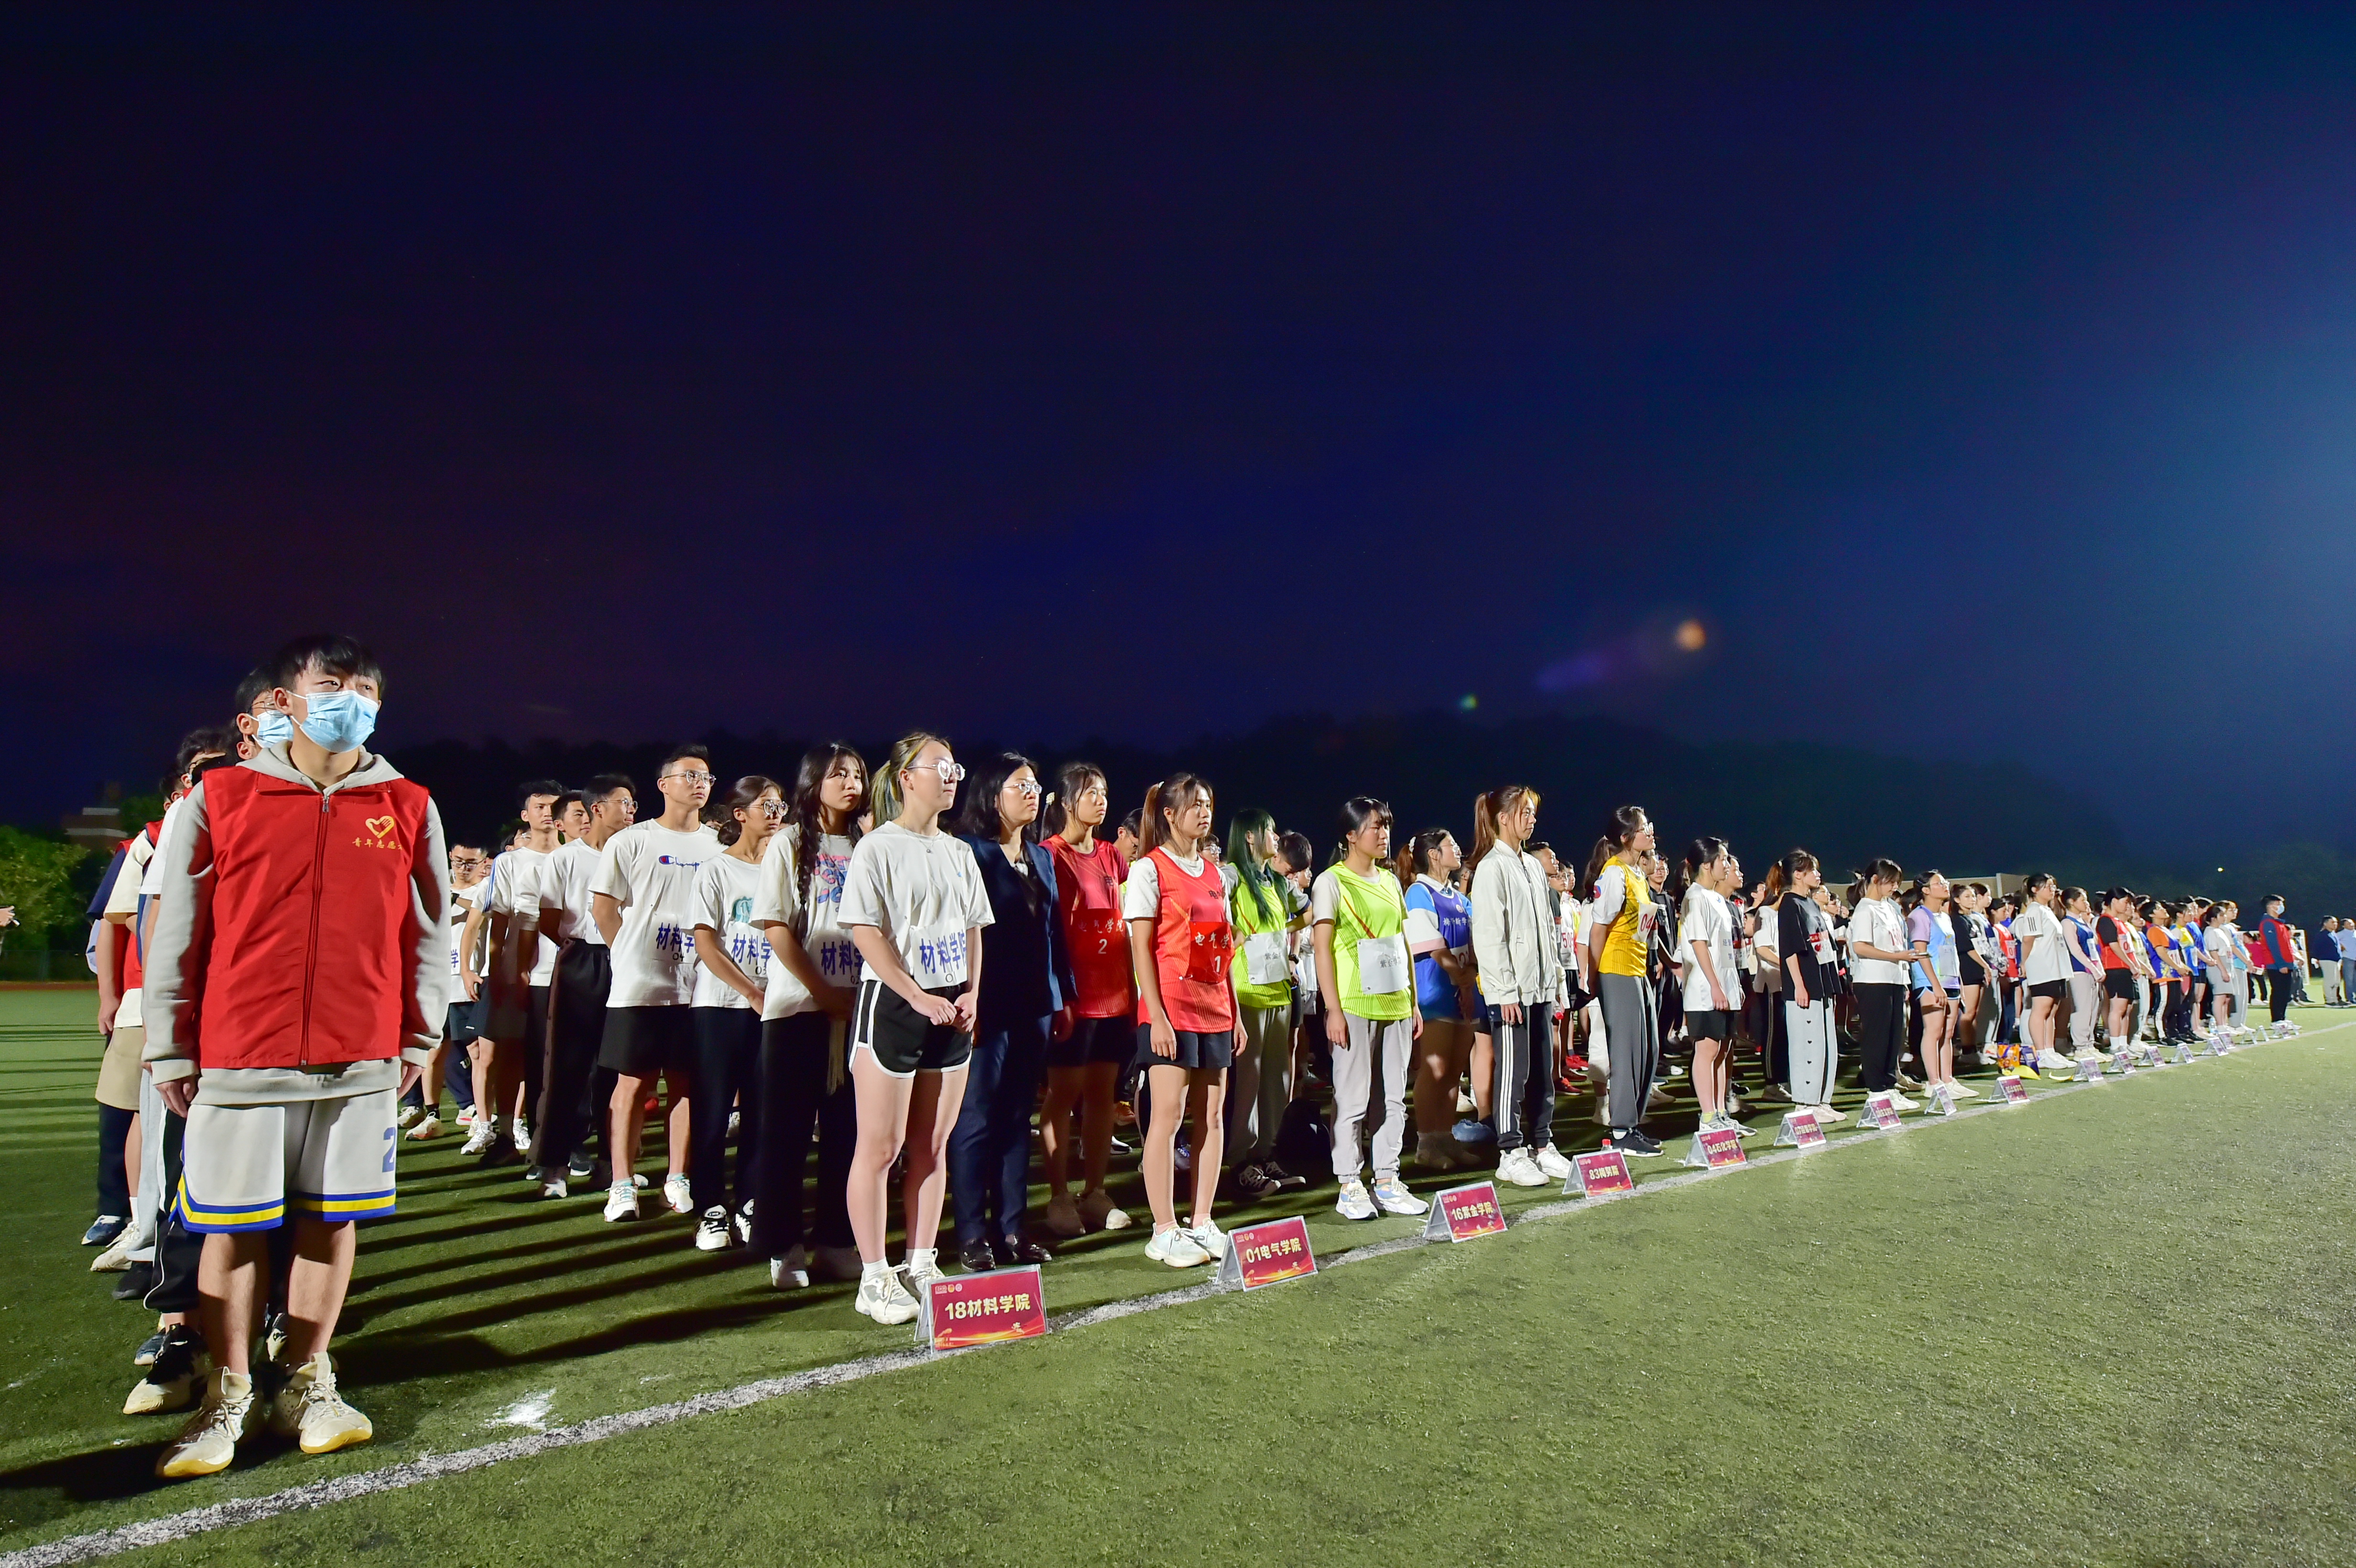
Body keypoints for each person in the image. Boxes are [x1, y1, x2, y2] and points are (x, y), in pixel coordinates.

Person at [143, 633, 448, 1478]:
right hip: (241, 1051)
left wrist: (420, 1033)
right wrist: (171, 1044)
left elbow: (429, 933)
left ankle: (308, 1381)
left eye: (367, 690)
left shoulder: (408, 804)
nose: (352, 700)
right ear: (286, 700)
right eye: (333, 683)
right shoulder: (219, 797)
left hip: (360, 1055)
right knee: (233, 1229)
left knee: (331, 1220)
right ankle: (229, 1391)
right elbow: (177, 934)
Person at [839, 734, 993, 1324]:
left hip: (951, 1007)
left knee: (932, 1145)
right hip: (895, 1007)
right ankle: (875, 1276)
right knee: (881, 1147)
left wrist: (971, 991)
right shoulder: (877, 847)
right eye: (939, 767)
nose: (951, 776)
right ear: (906, 776)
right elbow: (865, 930)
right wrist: (915, 994)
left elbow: (974, 926)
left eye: (955, 767)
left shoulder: (958, 851)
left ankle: (921, 1262)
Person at [748, 745, 867, 1289]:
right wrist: (822, 991)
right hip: (797, 1010)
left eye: (857, 774)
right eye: (838, 774)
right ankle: (784, 1247)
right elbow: (776, 927)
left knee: (848, 1134)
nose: (851, 782)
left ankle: (837, 1242)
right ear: (813, 781)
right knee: (787, 1136)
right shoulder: (790, 843)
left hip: (858, 1011)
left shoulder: (869, 844)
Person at [950, 754, 1074, 1272]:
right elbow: (961, 934)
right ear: (991, 794)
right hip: (987, 1005)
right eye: (1020, 785)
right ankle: (971, 1234)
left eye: (1035, 786)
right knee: (976, 1117)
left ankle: (1012, 1229)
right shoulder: (967, 852)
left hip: (1035, 1005)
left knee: (1017, 1117)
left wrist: (1062, 997)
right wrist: (967, 998)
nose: (1032, 793)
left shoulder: (1040, 856)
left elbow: (1054, 932)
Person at [591, 746, 719, 1222]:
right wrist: (628, 955)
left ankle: (677, 1177)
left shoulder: (718, 845)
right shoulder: (631, 841)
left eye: (706, 777)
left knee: (686, 1083)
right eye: (690, 775)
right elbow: (604, 908)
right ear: (664, 785)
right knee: (632, 1083)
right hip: (641, 985)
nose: (700, 784)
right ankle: (622, 1183)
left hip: (699, 986)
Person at [1124, 773, 1245, 1263]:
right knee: (1168, 1117)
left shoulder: (1216, 874)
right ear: (1169, 814)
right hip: (1171, 1008)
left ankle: (1202, 1221)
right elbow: (1140, 948)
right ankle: (1164, 1229)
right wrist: (1155, 1016)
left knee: (1212, 1116)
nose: (1204, 812)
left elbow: (1224, 947)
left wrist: (1235, 1014)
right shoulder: (1149, 870)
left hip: (1215, 1007)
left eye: (1208, 804)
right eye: (1194, 805)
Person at [1311, 796, 1431, 1213]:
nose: (1384, 834)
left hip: (1396, 1003)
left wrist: (1413, 1002)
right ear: (1351, 835)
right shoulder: (1331, 882)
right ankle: (1349, 1183)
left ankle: (1387, 1178)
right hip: (1355, 1003)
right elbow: (1322, 949)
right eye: (1375, 827)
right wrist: (1333, 1009)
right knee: (1353, 1097)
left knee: (1394, 1098)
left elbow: (1402, 944)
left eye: (1387, 826)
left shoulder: (1392, 882)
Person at [1037, 762, 1137, 1237]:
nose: (1100, 800)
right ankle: (1059, 1197)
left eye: (1103, 792)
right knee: (1063, 1095)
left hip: (1114, 993)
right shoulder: (1049, 855)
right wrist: (1060, 994)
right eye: (1089, 793)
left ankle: (1095, 1192)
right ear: (1064, 802)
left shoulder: (1111, 856)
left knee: (1102, 1096)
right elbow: (1048, 932)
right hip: (1074, 997)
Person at [687, 776, 782, 1250]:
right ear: (740, 814)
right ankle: (710, 1208)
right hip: (720, 1007)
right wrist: (750, 991)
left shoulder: (786, 870)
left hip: (776, 1008)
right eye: (766, 805)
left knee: (763, 1112)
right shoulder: (716, 871)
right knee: (713, 1110)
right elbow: (706, 943)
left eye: (780, 805)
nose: (776, 813)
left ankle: (750, 1202)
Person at [530, 774, 634, 1193]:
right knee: (567, 1066)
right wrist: (579, 953)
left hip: (627, 960)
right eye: (623, 803)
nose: (630, 811)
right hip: (582, 960)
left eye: (633, 804)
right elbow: (549, 919)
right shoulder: (566, 858)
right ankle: (553, 1166)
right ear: (598, 809)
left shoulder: (635, 851)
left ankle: (614, 1166)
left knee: (617, 1066)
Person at [1467, 785, 1570, 1184]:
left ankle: (1543, 1145)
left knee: (1543, 1072)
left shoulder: (1531, 866)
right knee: (1514, 1072)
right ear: (1504, 818)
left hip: (1539, 987)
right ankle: (1510, 1152)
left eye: (1532, 812)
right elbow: (1490, 937)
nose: (1532, 819)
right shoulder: (1492, 867)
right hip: (1512, 993)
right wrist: (1505, 991)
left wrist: (1555, 980)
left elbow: (1546, 931)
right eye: (1525, 812)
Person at [460, 780, 564, 1163]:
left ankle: (556, 1138)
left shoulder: (575, 856)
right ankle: (506, 1133)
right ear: (526, 815)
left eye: (554, 806)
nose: (547, 813)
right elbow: (499, 919)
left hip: (564, 971)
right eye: (539, 807)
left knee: (561, 1058)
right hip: (519, 973)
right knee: (511, 1054)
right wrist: (500, 970)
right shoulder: (510, 862)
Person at [1225, 807, 1310, 1197]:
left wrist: (1280, 938)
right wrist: (1238, 935)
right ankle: (1240, 1161)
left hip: (1279, 990)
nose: (1276, 838)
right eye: (1270, 831)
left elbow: (1307, 914)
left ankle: (1264, 1153)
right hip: (1248, 991)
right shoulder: (1232, 876)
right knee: (1249, 1081)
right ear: (1249, 836)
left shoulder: (1275, 881)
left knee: (1277, 1079)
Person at [1582, 806, 1666, 1156]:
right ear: (1626, 837)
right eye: (1644, 828)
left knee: (1649, 1049)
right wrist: (1594, 977)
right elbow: (1598, 929)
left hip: (1637, 968)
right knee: (1626, 1050)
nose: (1650, 832)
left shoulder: (1636, 874)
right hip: (1617, 968)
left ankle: (1632, 1123)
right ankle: (1620, 1130)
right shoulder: (1614, 873)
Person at [1399, 828, 1480, 1173]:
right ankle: (1426, 1143)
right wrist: (1458, 974)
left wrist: (1470, 973)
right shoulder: (1419, 892)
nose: (1458, 849)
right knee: (1435, 1069)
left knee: (1454, 1072)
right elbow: (1429, 943)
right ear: (1433, 854)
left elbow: (1475, 940)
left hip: (1463, 991)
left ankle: (1446, 1138)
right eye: (1451, 845)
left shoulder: (1459, 897)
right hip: (1436, 990)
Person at [408, 838, 490, 1141]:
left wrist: (453, 898)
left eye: (471, 863)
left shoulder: (484, 890)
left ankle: (478, 1113)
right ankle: (432, 1114)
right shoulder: (437, 890)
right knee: (433, 1049)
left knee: (475, 1050)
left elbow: (478, 911)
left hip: (467, 980)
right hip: (437, 979)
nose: (464, 868)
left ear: (483, 863)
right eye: (458, 861)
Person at [1675, 837, 1745, 1133]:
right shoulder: (1695, 897)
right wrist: (1716, 986)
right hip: (1705, 990)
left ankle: (1720, 1112)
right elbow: (1699, 944)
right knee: (1707, 1050)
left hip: (1725, 986)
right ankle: (1707, 1117)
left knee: (1723, 1050)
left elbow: (1724, 949)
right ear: (1707, 865)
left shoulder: (1716, 898)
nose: (1728, 865)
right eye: (1723, 859)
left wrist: (1732, 984)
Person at [1844, 859, 1922, 1110]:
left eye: (1897, 882)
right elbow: (1860, 947)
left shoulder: (1889, 907)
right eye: (1891, 882)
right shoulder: (1865, 909)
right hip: (1873, 980)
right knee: (1877, 1037)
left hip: (1894, 979)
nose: (1895, 887)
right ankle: (1877, 1090)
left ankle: (1889, 1086)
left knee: (1893, 1037)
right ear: (1875, 880)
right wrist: (1896, 957)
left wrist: (1903, 973)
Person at [1775, 849, 1843, 1124]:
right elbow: (1790, 950)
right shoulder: (1790, 904)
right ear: (1797, 875)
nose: (1818, 875)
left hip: (1822, 981)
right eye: (1812, 870)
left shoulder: (1811, 904)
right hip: (1805, 985)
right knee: (1807, 1044)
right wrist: (1799, 986)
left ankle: (1822, 1100)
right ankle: (1805, 1102)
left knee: (1826, 1045)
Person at [2010, 873, 2072, 1073]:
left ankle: (2050, 1050)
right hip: (2043, 966)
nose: (2052, 890)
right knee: (2041, 1009)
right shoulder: (2034, 910)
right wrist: (2024, 963)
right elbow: (2028, 940)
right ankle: (2041, 1053)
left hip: (2056, 967)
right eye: (2047, 886)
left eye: (2053, 886)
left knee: (2052, 1010)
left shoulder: (2047, 910)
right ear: (2034, 890)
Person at [2092, 887, 2143, 1056]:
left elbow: (2128, 949)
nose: (2128, 906)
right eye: (2125, 902)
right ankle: (2115, 1046)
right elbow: (2113, 946)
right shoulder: (2106, 921)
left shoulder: (2119, 922)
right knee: (2118, 1008)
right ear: (2114, 901)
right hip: (2115, 969)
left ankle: (2123, 1045)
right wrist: (2131, 964)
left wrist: (2135, 965)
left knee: (2127, 1009)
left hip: (2125, 969)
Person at [2060, 888, 2106, 1062]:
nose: (2087, 903)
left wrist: (2099, 968)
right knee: (2082, 1010)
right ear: (2071, 902)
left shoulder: (2083, 921)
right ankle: (2081, 1046)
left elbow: (2093, 948)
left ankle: (2089, 1044)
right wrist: (2093, 968)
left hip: (2092, 970)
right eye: (2083, 900)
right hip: (2078, 970)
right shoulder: (2068, 923)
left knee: (2094, 1009)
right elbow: (2075, 950)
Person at [2256, 894, 2301, 1030]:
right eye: (2279, 904)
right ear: (2271, 906)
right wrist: (2281, 964)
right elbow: (2273, 946)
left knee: (2285, 992)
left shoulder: (2278, 923)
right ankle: (2276, 1019)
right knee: (2279, 992)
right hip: (2276, 965)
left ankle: (2282, 1018)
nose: (2281, 907)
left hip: (2286, 962)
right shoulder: (2268, 923)